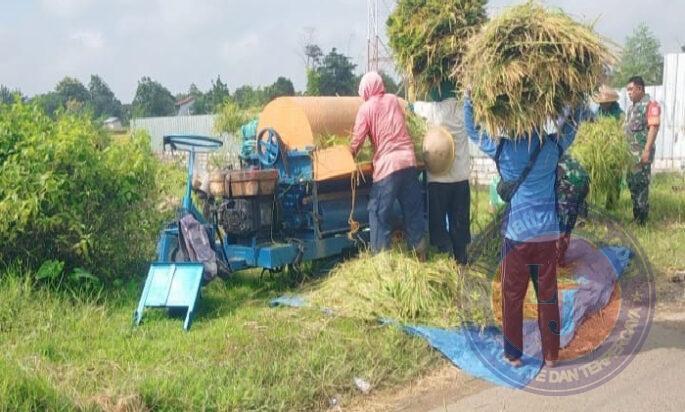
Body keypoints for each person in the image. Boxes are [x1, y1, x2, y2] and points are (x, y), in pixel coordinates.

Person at [464, 92, 582, 368]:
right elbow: (574, 123)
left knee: (513, 297)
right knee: (548, 296)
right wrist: (576, 96)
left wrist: (470, 97)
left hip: (517, 235)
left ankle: (513, 355)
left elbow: (472, 128)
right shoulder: (552, 147)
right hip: (547, 234)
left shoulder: (503, 149)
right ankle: (551, 354)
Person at [350, 71, 427, 259]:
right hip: (409, 163)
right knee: (413, 212)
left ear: (366, 90)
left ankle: (382, 260)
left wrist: (349, 154)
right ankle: (420, 256)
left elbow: (358, 139)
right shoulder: (393, 100)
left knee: (377, 212)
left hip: (388, 168)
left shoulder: (366, 108)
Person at [414, 81, 471, 264]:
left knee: (437, 223)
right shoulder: (464, 110)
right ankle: (460, 258)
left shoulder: (431, 110)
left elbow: (410, 106)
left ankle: (444, 257)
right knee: (459, 221)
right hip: (461, 178)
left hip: (437, 180)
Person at [624, 76, 660, 225]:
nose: (629, 93)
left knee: (641, 184)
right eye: (627, 90)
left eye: (631, 89)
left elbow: (654, 127)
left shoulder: (650, 105)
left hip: (642, 153)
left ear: (640, 88)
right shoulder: (632, 108)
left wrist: (646, 151)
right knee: (632, 183)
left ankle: (642, 220)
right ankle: (636, 216)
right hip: (630, 155)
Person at [593, 85, 624, 210]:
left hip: (614, 149)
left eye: (605, 103)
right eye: (601, 103)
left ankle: (612, 204)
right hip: (601, 149)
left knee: (614, 177)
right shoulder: (598, 111)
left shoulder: (620, 114)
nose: (603, 105)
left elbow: (623, 131)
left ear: (612, 102)